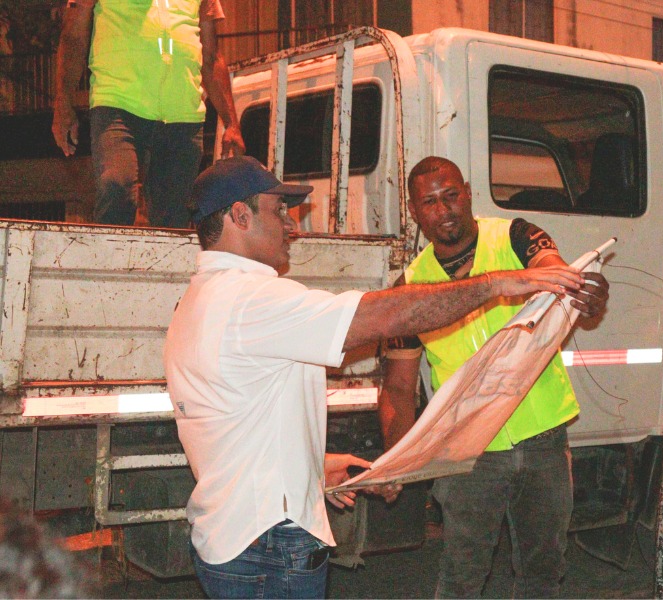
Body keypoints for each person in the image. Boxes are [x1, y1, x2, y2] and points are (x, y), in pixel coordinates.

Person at [162, 156, 591, 599]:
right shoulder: (250, 299)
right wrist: (496, 284)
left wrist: (314, 467)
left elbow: (236, 419)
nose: (292, 226)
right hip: (268, 544)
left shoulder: (200, 300)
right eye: (278, 211)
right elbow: (384, 316)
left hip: (236, 535)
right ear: (239, 215)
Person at [378, 156, 609, 598]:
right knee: (463, 575)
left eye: (451, 196)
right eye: (429, 202)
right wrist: (397, 457)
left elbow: (554, 269)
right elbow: (399, 385)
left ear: (467, 192)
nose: (444, 209)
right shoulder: (409, 288)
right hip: (466, 446)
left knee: (543, 572)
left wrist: (584, 293)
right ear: (413, 211)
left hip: (542, 436)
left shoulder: (515, 236)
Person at [51, 0, 245, 228]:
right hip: (119, 102)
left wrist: (232, 123)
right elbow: (73, 33)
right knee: (116, 187)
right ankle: (109, 261)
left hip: (183, 113)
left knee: (175, 217)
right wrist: (63, 102)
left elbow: (211, 56)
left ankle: (164, 263)